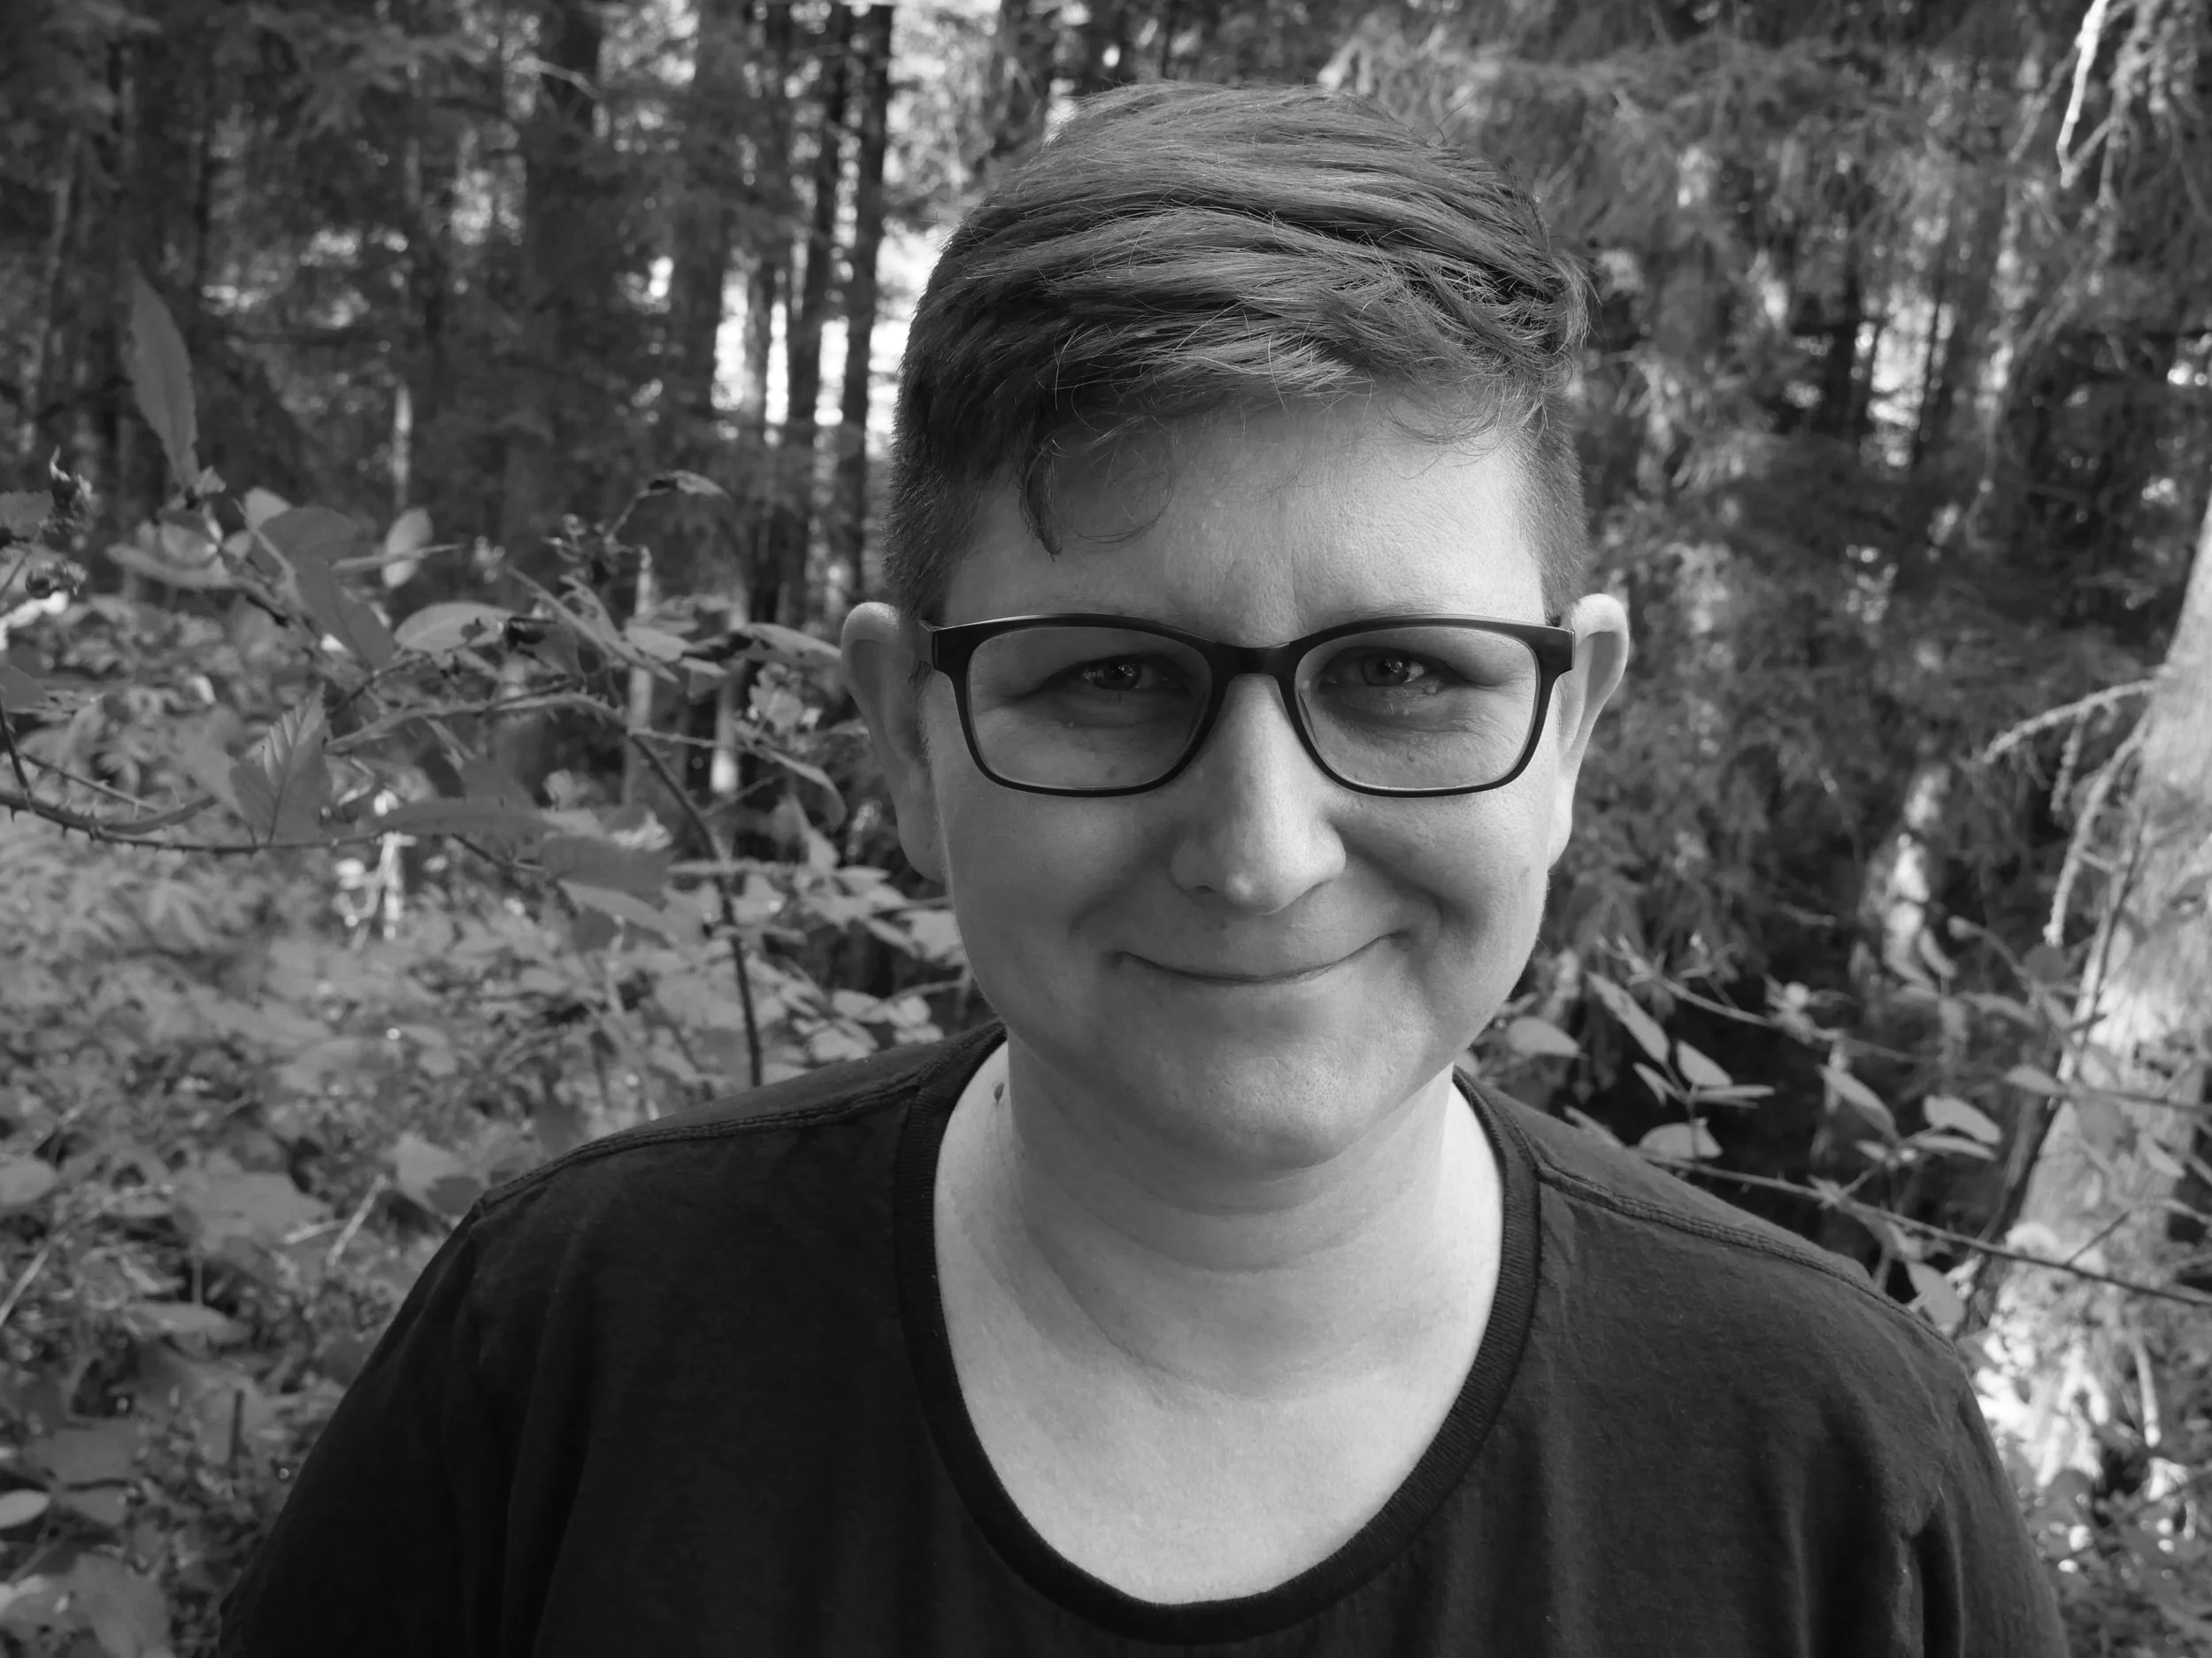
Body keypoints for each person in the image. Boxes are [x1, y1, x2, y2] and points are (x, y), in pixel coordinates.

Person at [219, 81, 2067, 1655]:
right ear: (906, 738)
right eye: (1109, 679)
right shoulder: (565, 1361)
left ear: (1569, 724)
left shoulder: (1834, 1478)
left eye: (1401, 674)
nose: (1258, 854)